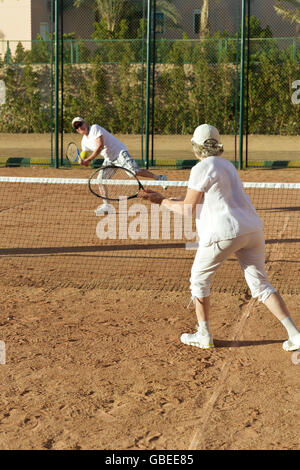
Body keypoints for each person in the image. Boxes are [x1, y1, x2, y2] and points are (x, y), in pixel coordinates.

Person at [142, 123, 300, 352]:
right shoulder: (228, 165)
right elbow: (207, 199)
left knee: (198, 281)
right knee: (261, 285)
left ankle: (204, 335)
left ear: (196, 147)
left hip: (224, 232)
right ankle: (295, 334)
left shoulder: (201, 168)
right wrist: (170, 199)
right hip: (252, 229)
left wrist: (162, 202)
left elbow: (188, 209)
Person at [72, 117, 168, 215]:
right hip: (109, 159)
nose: (80, 127)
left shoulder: (95, 128)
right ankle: (107, 206)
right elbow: (87, 160)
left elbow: (100, 146)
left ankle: (160, 178)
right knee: (100, 180)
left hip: (119, 153)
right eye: (77, 127)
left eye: (80, 124)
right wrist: (84, 162)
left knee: (135, 172)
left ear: (85, 122)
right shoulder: (84, 142)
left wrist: (88, 159)